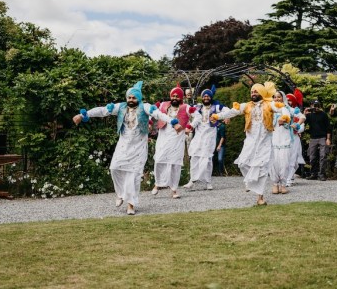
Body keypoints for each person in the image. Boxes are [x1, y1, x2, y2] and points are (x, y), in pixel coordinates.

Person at [72, 81, 172, 215]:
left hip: (139, 146)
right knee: (114, 168)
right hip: (123, 145)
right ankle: (120, 194)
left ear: (139, 98)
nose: (131, 100)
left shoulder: (146, 107)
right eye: (129, 97)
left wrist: (173, 121)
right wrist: (84, 115)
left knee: (134, 176)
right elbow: (102, 111)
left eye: (134, 97)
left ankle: (131, 205)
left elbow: (159, 115)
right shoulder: (120, 107)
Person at [211, 81, 289, 206]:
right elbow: (231, 112)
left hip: (265, 142)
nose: (253, 93)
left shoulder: (270, 105)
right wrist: (217, 116)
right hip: (250, 142)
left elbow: (282, 108)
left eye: (255, 91)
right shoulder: (246, 106)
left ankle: (260, 197)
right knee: (242, 163)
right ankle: (249, 181)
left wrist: (284, 117)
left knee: (262, 170)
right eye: (252, 91)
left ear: (262, 93)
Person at [151, 84, 194, 199]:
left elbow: (198, 117)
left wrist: (190, 126)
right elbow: (153, 113)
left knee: (175, 164)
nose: (175, 98)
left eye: (177, 96)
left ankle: (174, 189)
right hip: (163, 137)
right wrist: (149, 123)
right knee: (159, 160)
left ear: (181, 98)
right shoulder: (163, 105)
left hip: (177, 139)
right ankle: (157, 184)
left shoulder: (186, 107)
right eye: (173, 96)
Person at [183, 85, 229, 190]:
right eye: (204, 96)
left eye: (208, 96)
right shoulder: (198, 107)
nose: (206, 98)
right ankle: (192, 180)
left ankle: (208, 182)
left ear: (211, 97)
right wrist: (190, 127)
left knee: (207, 158)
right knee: (194, 156)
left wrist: (224, 117)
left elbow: (227, 110)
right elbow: (189, 112)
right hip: (198, 136)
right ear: (202, 97)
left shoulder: (216, 107)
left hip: (210, 136)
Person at [269, 90, 295, 194]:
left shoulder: (288, 109)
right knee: (274, 163)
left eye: (279, 97)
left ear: (283, 98)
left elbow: (302, 117)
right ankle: (275, 184)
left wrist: (297, 125)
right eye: (274, 97)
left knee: (284, 163)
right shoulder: (270, 109)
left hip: (285, 139)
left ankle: (283, 184)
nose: (277, 99)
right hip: (273, 139)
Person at [304, 99, 332, 181]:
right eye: (314, 105)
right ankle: (313, 174)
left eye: (317, 105)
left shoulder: (323, 115)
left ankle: (322, 174)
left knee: (323, 156)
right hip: (313, 138)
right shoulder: (309, 115)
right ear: (311, 106)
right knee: (312, 156)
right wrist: (304, 114)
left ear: (319, 106)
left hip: (322, 137)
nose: (315, 107)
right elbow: (302, 123)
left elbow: (328, 127)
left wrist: (328, 139)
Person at [285, 89, 306, 186]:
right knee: (285, 158)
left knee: (294, 158)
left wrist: (296, 128)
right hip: (283, 139)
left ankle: (290, 177)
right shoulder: (282, 112)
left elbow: (302, 127)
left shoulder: (297, 113)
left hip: (294, 138)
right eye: (287, 100)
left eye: (290, 100)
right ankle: (286, 177)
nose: (288, 102)